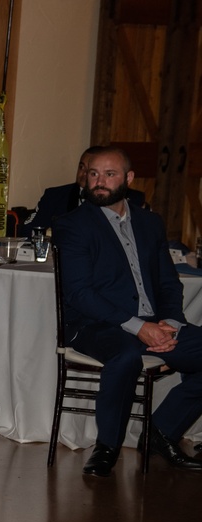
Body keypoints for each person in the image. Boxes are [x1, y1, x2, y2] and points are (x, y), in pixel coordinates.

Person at [54, 146, 202, 477]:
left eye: (110, 174)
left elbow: (168, 283)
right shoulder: (73, 224)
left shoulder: (151, 223)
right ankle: (107, 446)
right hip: (96, 325)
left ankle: (161, 431)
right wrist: (138, 327)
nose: (99, 182)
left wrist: (170, 324)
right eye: (93, 174)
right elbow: (79, 293)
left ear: (129, 178)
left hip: (154, 322)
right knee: (125, 356)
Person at [22, 145, 147, 236]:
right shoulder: (55, 195)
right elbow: (27, 229)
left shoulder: (129, 198)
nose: (84, 173)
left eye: (91, 171)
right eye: (81, 167)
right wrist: (52, 233)